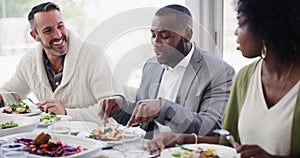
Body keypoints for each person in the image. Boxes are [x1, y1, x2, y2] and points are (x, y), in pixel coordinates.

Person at [146, 0, 300, 157]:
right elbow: (227, 141)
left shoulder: (221, 72)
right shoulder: (246, 77)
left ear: (267, 28)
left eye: (241, 24)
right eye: (153, 35)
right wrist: (184, 139)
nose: (235, 32)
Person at [99, 4, 235, 139]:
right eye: (153, 35)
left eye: (164, 36)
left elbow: (211, 127)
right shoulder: (151, 65)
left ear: (187, 35)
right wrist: (120, 106)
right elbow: (141, 114)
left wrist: (163, 109)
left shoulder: (219, 72)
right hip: (147, 149)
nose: (156, 42)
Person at [0, 2, 115, 123]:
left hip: (96, 138)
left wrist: (66, 113)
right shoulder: (30, 61)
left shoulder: (95, 57)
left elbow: (112, 110)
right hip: (55, 137)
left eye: (60, 26)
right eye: (48, 30)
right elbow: (10, 94)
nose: (58, 35)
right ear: (35, 36)